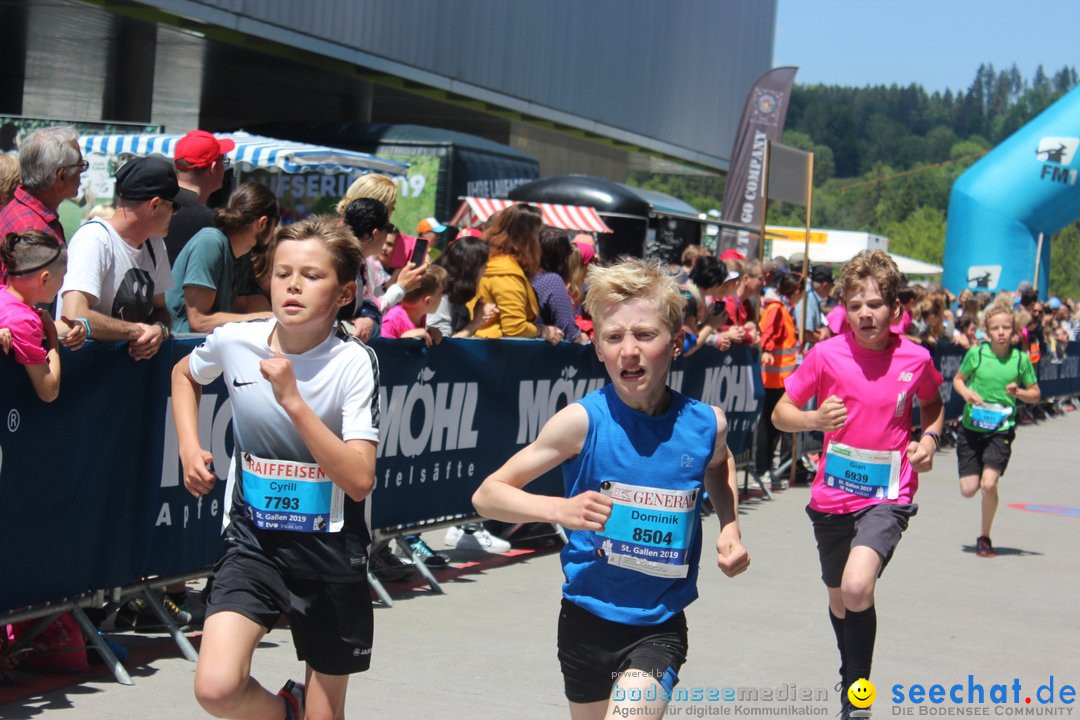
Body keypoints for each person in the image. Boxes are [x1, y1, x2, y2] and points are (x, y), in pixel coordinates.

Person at [472, 258, 749, 720]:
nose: (629, 351)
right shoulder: (581, 422)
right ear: (598, 348)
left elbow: (720, 468)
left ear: (676, 343)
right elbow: (488, 494)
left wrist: (731, 527)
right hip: (585, 617)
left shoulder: (706, 424)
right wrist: (561, 509)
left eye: (644, 335)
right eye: (614, 337)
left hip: (658, 624)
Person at [172, 215, 380, 720]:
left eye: (312, 275)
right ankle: (286, 711)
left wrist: (294, 402)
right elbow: (185, 373)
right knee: (216, 688)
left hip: (332, 551)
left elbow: (358, 478)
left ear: (344, 293)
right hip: (255, 543)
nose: (292, 285)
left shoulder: (354, 362)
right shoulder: (237, 340)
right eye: (283, 272)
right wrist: (188, 445)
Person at [771, 250, 944, 720]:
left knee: (856, 586)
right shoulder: (825, 355)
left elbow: (933, 404)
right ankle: (851, 673)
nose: (865, 314)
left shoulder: (916, 357)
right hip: (832, 499)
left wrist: (928, 439)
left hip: (888, 496)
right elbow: (780, 413)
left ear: (895, 309)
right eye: (855, 304)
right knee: (840, 600)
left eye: (875, 304)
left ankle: (857, 696)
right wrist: (811, 417)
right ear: (843, 308)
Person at [61, 155, 192, 362]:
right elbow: (74, 313)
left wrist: (159, 330)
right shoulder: (94, 240)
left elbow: (160, 310)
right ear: (155, 204)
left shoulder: (154, 243)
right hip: (83, 377)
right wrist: (136, 331)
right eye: (174, 206)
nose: (175, 214)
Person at [951, 302, 1040, 558]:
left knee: (989, 485)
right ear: (986, 331)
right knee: (969, 489)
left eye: (1006, 327)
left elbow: (1035, 394)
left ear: (1013, 331)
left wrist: (1020, 392)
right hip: (971, 429)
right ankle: (979, 468)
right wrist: (968, 394)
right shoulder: (976, 355)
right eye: (995, 328)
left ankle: (984, 537)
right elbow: (958, 380)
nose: (1001, 332)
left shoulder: (1020, 359)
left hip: (1001, 430)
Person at [167, 182, 279, 333]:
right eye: (275, 223)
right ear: (263, 223)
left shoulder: (243, 253)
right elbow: (199, 321)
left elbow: (245, 303)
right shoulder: (210, 242)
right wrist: (266, 317)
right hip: (180, 346)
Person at [0, 230, 86, 401]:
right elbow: (49, 391)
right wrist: (52, 336)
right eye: (62, 277)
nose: (62, 285)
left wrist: (81, 326)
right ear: (45, 279)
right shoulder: (24, 320)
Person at [473, 203, 562, 344]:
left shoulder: (495, 261)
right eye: (538, 235)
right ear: (528, 238)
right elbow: (514, 328)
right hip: (494, 355)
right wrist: (543, 331)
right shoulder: (507, 272)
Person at [756, 271, 803, 490]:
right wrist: (766, 350)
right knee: (768, 424)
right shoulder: (776, 309)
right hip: (772, 377)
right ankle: (762, 468)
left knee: (773, 426)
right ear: (795, 291)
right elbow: (768, 334)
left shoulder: (785, 309)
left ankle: (766, 467)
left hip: (782, 378)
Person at [0, 125, 86, 244]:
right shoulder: (36, 236)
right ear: (61, 176)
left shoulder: (16, 208)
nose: (83, 169)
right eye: (80, 164)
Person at [164, 130, 235, 264]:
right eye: (223, 161)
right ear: (213, 168)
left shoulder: (157, 204)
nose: (225, 168)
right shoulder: (207, 220)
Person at [427, 234, 497, 339]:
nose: (486, 269)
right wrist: (476, 323)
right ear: (471, 268)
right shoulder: (440, 297)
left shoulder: (455, 294)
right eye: (484, 265)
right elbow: (441, 346)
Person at [533, 228, 585, 344]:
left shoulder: (530, 277)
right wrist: (584, 339)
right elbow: (569, 332)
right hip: (541, 356)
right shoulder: (552, 280)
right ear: (565, 256)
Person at [380, 264, 447, 346]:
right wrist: (405, 338)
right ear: (427, 301)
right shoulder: (391, 320)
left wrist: (430, 332)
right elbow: (380, 352)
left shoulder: (421, 315)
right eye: (440, 294)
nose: (442, 298)